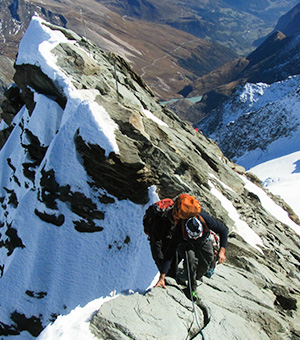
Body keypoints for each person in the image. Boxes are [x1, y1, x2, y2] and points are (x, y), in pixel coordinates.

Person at [154, 198, 228, 294]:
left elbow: (223, 230)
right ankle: (191, 288)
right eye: (193, 236)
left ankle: (192, 277)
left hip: (204, 242)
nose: (195, 238)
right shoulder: (179, 230)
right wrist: (162, 276)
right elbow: (169, 252)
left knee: (206, 264)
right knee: (191, 261)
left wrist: (222, 251)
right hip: (186, 245)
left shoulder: (204, 218)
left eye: (197, 235)